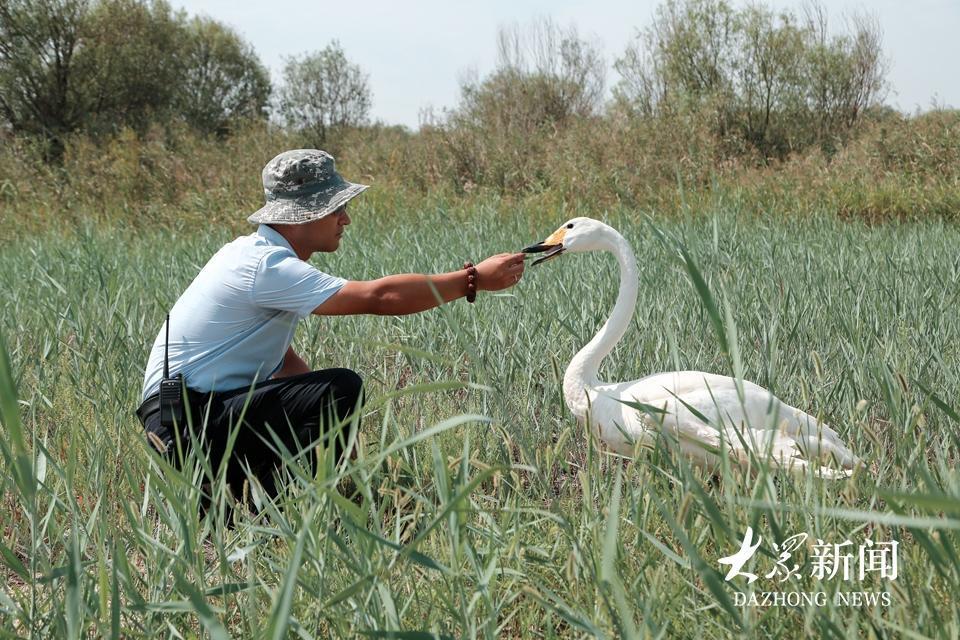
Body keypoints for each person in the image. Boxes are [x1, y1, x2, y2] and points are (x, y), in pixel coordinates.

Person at [136, 148, 525, 503]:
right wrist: (472, 279)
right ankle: (266, 510)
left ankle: (237, 504)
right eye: (334, 208)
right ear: (302, 214)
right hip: (188, 425)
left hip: (186, 422)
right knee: (341, 387)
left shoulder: (249, 255)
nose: (346, 219)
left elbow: (279, 359)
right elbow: (378, 298)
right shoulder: (265, 267)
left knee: (331, 395)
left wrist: (342, 428)